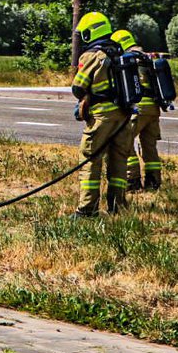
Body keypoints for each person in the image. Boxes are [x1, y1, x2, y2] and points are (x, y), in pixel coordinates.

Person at [70, 12, 131, 216]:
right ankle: (118, 206)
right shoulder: (119, 52)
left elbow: (78, 87)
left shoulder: (92, 55)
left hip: (101, 116)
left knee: (90, 159)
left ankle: (87, 210)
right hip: (123, 115)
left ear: (92, 31)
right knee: (118, 160)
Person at [111, 28, 163, 190]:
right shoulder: (146, 57)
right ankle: (153, 182)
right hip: (154, 108)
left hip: (138, 108)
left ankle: (132, 180)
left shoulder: (127, 59)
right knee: (149, 146)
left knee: (124, 142)